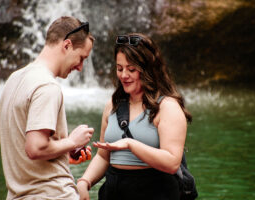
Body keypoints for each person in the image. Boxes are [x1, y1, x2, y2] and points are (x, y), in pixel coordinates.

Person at [77, 33, 192, 200]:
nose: (124, 75)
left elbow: (172, 162)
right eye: (119, 68)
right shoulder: (112, 104)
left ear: (148, 69)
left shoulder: (167, 107)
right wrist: (84, 181)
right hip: (114, 191)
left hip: (154, 191)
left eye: (131, 69)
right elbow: (103, 156)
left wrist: (131, 144)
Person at [0, 16, 95, 200]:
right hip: (53, 195)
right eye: (81, 58)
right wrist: (73, 141)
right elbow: (35, 148)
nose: (81, 68)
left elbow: (25, 148)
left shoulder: (14, 79)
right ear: (66, 45)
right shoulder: (47, 86)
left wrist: (63, 154)